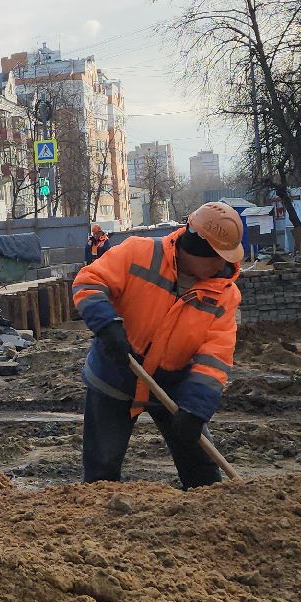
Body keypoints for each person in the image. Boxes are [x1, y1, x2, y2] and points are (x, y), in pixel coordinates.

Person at [73, 202, 244, 488]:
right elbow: (89, 282)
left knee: (203, 472)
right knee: (101, 468)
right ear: (199, 250)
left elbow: (214, 358)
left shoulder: (225, 294)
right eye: (219, 257)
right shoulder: (138, 252)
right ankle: (99, 524)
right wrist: (107, 324)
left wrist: (195, 408)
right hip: (116, 371)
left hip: (174, 385)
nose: (224, 265)